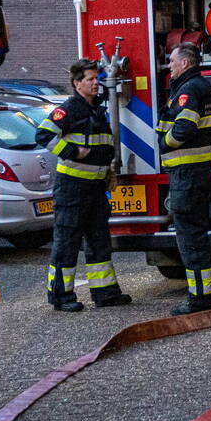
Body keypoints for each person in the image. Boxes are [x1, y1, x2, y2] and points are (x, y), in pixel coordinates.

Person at [35, 59, 132, 312]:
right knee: (67, 242)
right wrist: (71, 151)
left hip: (96, 188)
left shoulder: (97, 109)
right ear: (77, 83)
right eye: (90, 79)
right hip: (72, 188)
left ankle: (106, 293)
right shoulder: (69, 110)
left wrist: (107, 169)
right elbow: (43, 134)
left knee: (99, 241)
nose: (95, 83)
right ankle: (61, 296)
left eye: (96, 79)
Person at [157, 43, 211, 315]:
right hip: (198, 172)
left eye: (172, 61)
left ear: (185, 63)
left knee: (190, 240)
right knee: (196, 237)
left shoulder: (189, 90)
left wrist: (165, 144)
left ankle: (200, 299)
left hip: (187, 174)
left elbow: (185, 126)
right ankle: (203, 295)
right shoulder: (197, 86)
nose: (169, 66)